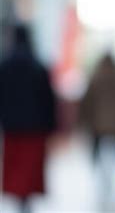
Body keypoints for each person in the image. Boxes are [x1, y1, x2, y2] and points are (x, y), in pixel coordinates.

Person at [0, 25, 57, 213]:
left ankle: (20, 201)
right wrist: (51, 126)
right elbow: (49, 101)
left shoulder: (5, 66)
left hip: (12, 128)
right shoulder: (38, 66)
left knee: (16, 170)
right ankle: (25, 203)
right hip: (35, 129)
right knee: (29, 171)